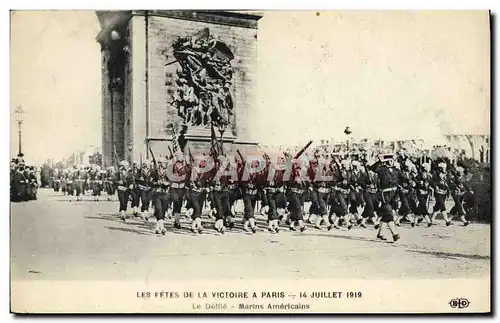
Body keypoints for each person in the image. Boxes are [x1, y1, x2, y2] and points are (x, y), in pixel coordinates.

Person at [372, 155, 401, 242]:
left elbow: (404, 178)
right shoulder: (381, 169)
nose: (392, 162)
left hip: (394, 195)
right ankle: (395, 234)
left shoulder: (396, 170)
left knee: (385, 215)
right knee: (389, 213)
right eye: (390, 160)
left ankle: (380, 233)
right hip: (385, 194)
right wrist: (379, 162)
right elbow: (373, 168)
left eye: (392, 160)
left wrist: (411, 183)